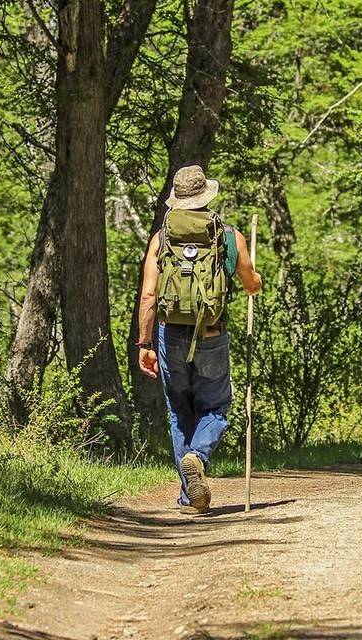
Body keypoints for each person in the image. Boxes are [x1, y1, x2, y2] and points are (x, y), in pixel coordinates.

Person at [135, 165, 262, 514]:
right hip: (211, 333)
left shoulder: (161, 239)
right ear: (206, 195)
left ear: (176, 199)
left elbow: (148, 296)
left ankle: (191, 496)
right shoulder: (229, 236)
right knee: (216, 407)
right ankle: (198, 456)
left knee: (179, 412)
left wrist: (145, 344)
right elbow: (250, 284)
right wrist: (256, 281)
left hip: (170, 334)